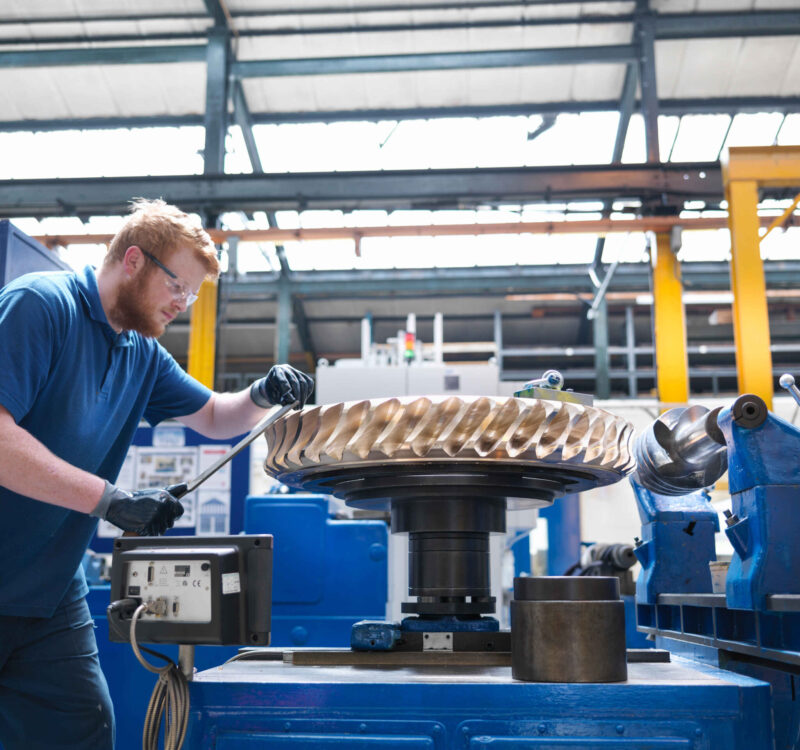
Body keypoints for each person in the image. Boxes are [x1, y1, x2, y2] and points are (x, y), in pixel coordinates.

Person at [0, 199, 314, 750]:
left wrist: (263, 393)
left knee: (83, 727)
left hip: (45, 590)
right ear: (134, 261)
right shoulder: (40, 307)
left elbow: (217, 417)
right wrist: (111, 501)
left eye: (192, 294)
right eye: (178, 286)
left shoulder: (139, 351)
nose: (184, 304)